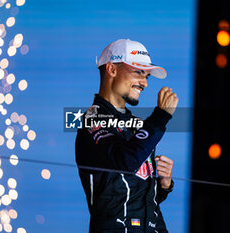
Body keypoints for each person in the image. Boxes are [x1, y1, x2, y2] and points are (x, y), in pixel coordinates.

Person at [75, 39, 179, 233]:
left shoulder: (138, 126)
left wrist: (163, 186)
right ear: (112, 70)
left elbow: (138, 197)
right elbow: (124, 161)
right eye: (139, 72)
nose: (145, 83)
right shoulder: (92, 120)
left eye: (147, 76)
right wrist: (160, 117)